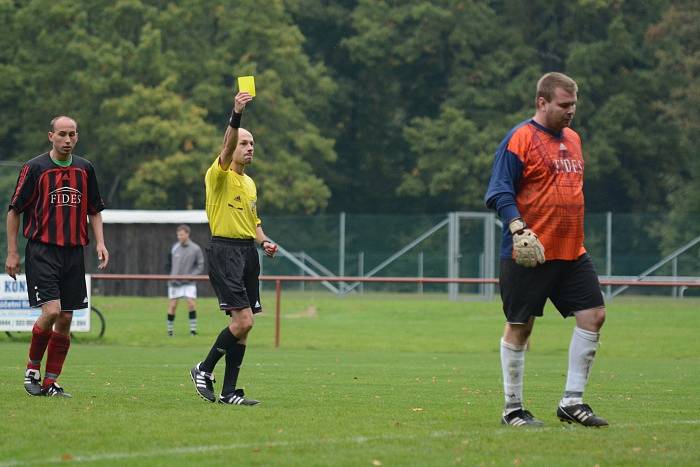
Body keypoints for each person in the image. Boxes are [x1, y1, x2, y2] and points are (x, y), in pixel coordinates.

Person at [484, 72, 608, 427]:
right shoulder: (520, 138)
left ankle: (572, 401)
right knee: (521, 326)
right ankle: (513, 409)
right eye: (564, 105)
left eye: (574, 105)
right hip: (530, 251)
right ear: (542, 102)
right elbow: (499, 191)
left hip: (571, 250)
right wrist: (517, 226)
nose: (571, 112)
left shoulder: (574, 138)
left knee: (594, 315)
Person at [5, 116, 109, 398]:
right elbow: (14, 210)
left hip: (74, 252)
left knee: (65, 318)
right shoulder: (35, 168)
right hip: (42, 250)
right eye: (62, 134)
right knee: (50, 311)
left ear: (77, 136)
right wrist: (12, 252)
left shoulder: (85, 168)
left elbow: (94, 210)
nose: (67, 139)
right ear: (50, 136)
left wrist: (100, 242)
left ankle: (51, 382)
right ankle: (31, 370)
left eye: (72, 134)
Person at [189, 91, 278, 405]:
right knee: (243, 322)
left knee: (244, 327)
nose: (249, 146)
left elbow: (253, 222)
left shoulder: (250, 183)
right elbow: (226, 145)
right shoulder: (218, 175)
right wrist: (236, 114)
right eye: (243, 142)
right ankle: (204, 368)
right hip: (224, 252)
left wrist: (263, 240)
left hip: (247, 254)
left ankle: (228, 392)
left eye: (252, 143)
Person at [165, 224, 204, 336]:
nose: (180, 237)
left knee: (191, 304)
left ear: (187, 234)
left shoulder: (196, 249)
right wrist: (171, 275)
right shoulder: (174, 247)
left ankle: (193, 331)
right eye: (178, 235)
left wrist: (191, 276)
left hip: (189, 283)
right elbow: (168, 264)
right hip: (174, 282)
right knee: (172, 306)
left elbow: (200, 266)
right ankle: (170, 331)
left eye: (181, 234)